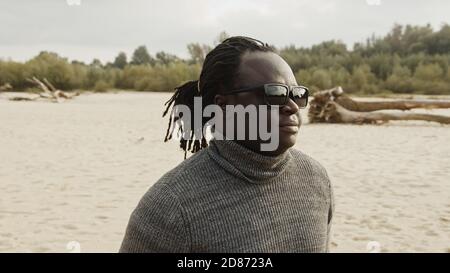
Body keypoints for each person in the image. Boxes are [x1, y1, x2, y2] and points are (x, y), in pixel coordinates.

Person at [119, 36, 334, 253]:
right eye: (274, 93)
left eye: (297, 95)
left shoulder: (316, 179)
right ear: (222, 106)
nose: (292, 107)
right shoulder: (171, 207)